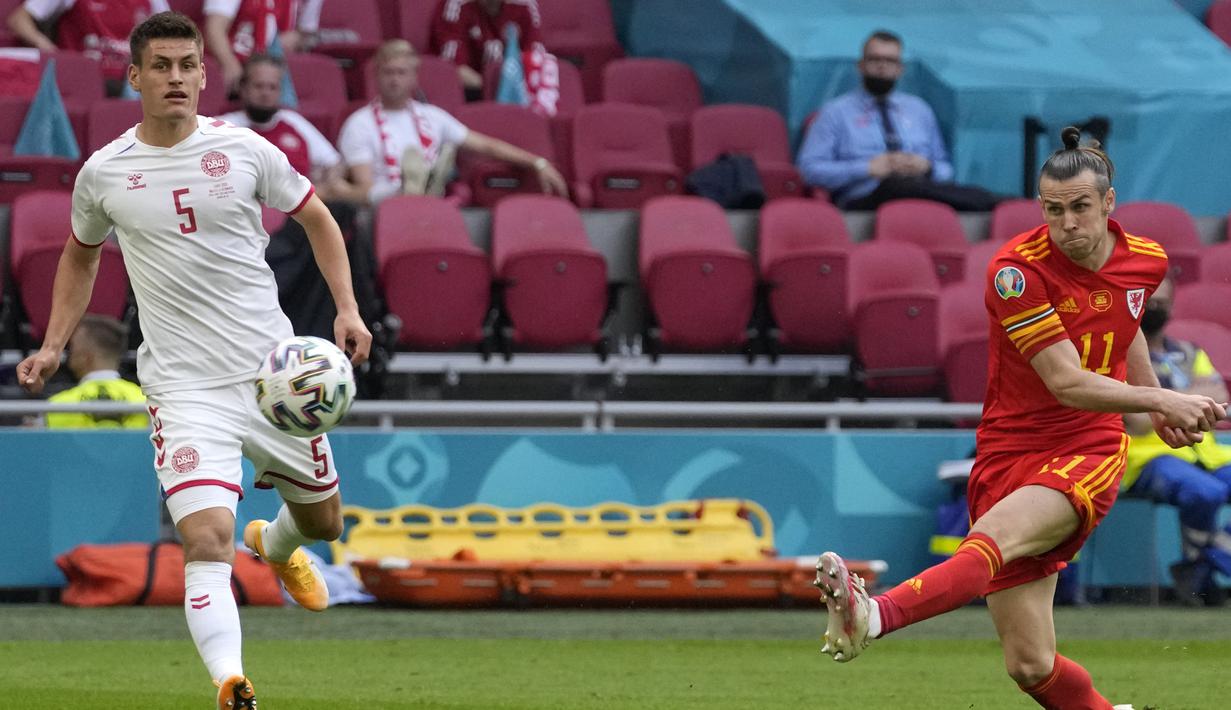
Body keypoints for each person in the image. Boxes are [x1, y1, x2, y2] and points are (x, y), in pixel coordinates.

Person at [15, 12, 371, 710]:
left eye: (188, 65)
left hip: (272, 378)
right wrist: (56, 342)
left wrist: (347, 310)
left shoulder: (244, 150)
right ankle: (231, 682)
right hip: (182, 388)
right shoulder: (105, 172)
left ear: (204, 74)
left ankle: (277, 544)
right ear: (136, 75)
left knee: (326, 524)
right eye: (162, 66)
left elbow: (319, 218)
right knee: (206, 538)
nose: (176, 77)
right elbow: (79, 256)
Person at [813, 126, 1224, 709]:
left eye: (1081, 207)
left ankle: (874, 615)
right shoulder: (1016, 272)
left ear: (1108, 204)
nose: (1068, 224)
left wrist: (1152, 399)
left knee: (991, 540)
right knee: (1030, 664)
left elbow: (1125, 324)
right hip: (1008, 450)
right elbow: (1066, 380)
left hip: (1088, 446)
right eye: (1054, 210)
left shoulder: (1147, 260)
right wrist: (1162, 402)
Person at [336, 38, 566, 206]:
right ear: (376, 77)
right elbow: (363, 186)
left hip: (434, 209)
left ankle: (427, 183)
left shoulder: (432, 116)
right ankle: (410, 189)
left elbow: (487, 146)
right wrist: (398, 196)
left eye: (401, 72)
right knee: (396, 195)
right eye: (388, 72)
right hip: (383, 211)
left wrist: (537, 163)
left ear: (415, 78)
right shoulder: (359, 124)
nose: (395, 79)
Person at [796, 29, 1002, 212]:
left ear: (900, 69)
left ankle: (996, 201)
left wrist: (926, 167)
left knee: (920, 186)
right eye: (875, 60)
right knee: (897, 185)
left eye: (890, 61)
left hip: (921, 191)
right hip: (863, 199)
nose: (882, 67)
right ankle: (985, 200)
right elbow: (808, 170)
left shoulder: (919, 109)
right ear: (861, 65)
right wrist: (867, 168)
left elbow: (946, 169)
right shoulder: (835, 112)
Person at [1122, 275, 1231, 606]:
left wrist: (1162, 399)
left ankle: (1199, 562)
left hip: (1206, 454)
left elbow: (1220, 398)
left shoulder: (1188, 352)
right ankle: (1209, 561)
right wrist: (1189, 398)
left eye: (1162, 303)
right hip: (1148, 458)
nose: (1155, 309)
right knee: (1205, 493)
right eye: (1148, 303)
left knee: (1211, 485)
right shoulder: (1121, 355)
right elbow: (1139, 422)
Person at [219, 53, 348, 201]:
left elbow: (335, 163)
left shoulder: (293, 121)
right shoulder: (220, 128)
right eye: (258, 86)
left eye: (272, 87)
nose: (265, 93)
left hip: (300, 212)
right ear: (243, 88)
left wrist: (328, 183)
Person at [5, 0, 170, 94]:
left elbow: (175, 33)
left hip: (130, 82)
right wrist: (51, 52)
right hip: (84, 81)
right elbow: (19, 20)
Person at [44, 314, 148, 430]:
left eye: (71, 347)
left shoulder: (57, 406)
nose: (68, 354)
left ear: (84, 356)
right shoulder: (147, 401)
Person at [204, 0, 321, 94]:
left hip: (266, 61)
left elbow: (308, 34)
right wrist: (230, 65)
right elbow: (214, 29)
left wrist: (297, 38)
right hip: (229, 61)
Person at [429, 0, 543, 92]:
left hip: (516, 91)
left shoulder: (525, 5)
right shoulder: (455, 5)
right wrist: (495, 90)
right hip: (470, 91)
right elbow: (452, 69)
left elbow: (537, 61)